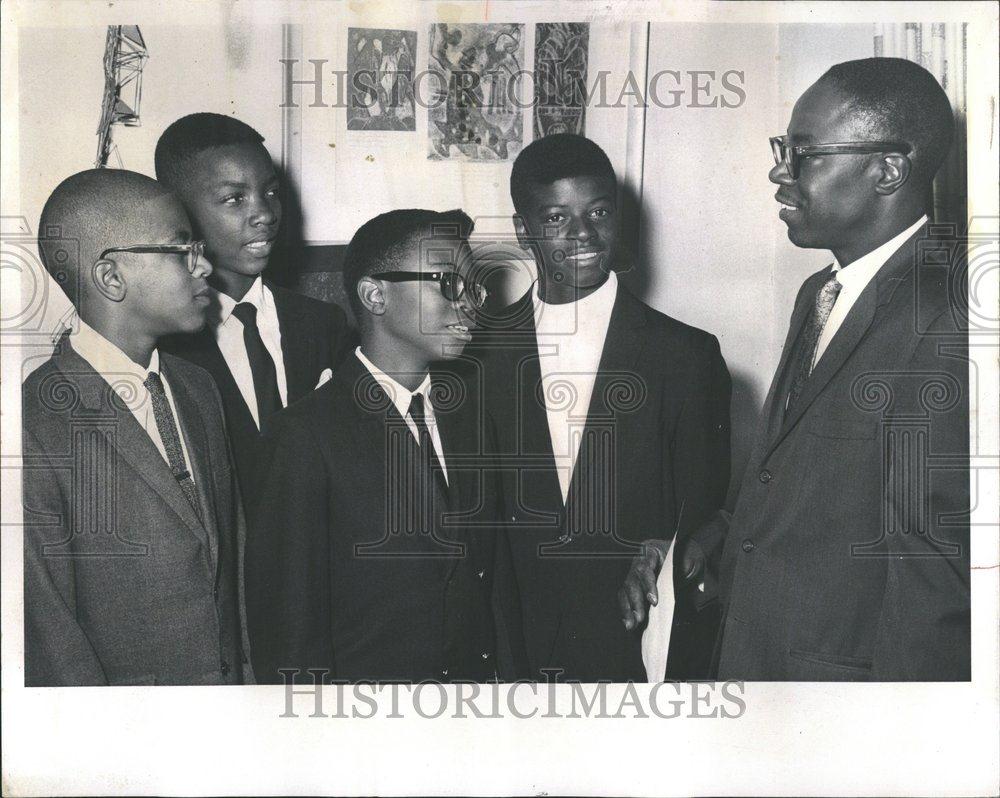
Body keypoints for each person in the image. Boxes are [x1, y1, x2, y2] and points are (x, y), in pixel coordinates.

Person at [620, 57, 970, 681]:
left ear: (888, 169)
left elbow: (934, 576)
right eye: (785, 147)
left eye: (804, 152)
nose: (779, 171)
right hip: (760, 668)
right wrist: (713, 539)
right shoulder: (820, 292)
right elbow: (806, 485)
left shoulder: (946, 318)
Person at [469, 134, 732, 681]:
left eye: (598, 212)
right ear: (524, 231)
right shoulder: (479, 355)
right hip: (513, 651)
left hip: (636, 647)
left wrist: (670, 554)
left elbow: (707, 515)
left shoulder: (686, 356)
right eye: (556, 217)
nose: (583, 234)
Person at [245, 209, 512, 683]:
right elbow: (290, 630)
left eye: (475, 288)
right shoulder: (305, 434)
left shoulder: (471, 419)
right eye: (449, 284)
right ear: (375, 295)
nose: (470, 304)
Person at [23, 169, 250, 686]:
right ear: (111, 277)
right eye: (181, 250)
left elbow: (232, 564)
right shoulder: (33, 424)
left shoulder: (197, 388)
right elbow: (50, 633)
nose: (206, 266)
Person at [155, 112, 351, 498]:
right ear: (181, 212)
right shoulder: (166, 344)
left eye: (271, 192)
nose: (264, 213)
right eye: (234, 199)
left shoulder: (323, 324)